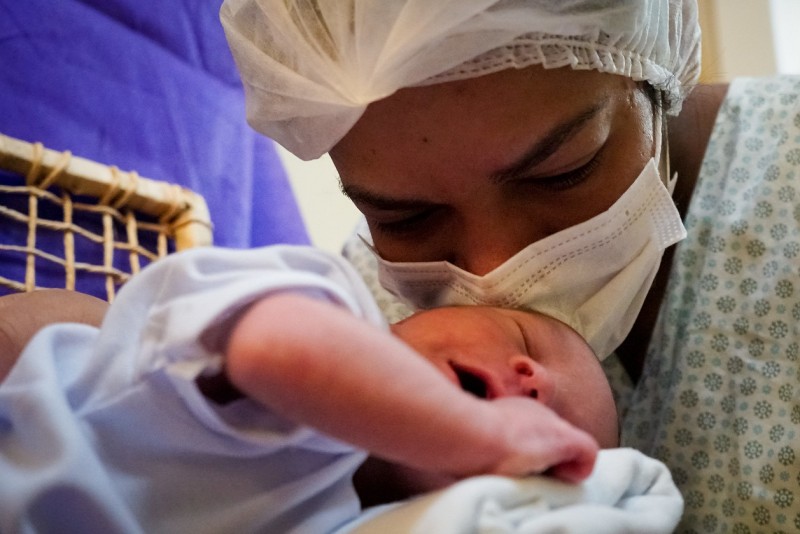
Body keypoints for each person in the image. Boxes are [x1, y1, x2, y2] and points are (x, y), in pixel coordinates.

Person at [220, 0, 800, 530]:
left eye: (562, 173)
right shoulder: (353, 326)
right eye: (406, 218)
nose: (496, 271)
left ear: (652, 70)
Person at [1, 244, 685, 533]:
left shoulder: (346, 519)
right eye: (525, 342)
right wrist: (475, 429)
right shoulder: (328, 308)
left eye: (556, 435)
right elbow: (276, 347)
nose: (536, 383)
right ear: (408, 321)